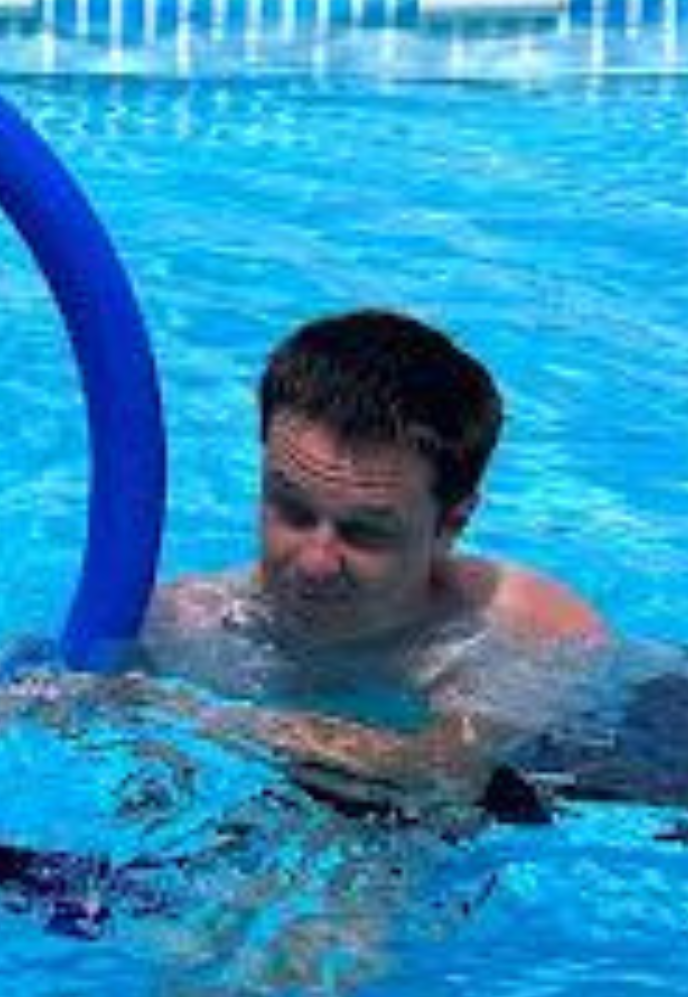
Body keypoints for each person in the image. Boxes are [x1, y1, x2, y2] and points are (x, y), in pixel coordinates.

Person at [131, 309, 613, 810]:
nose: (315, 563)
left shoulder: (528, 633)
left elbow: (441, 770)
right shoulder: (188, 620)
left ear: (451, 525)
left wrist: (189, 713)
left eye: (365, 532)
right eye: (292, 511)